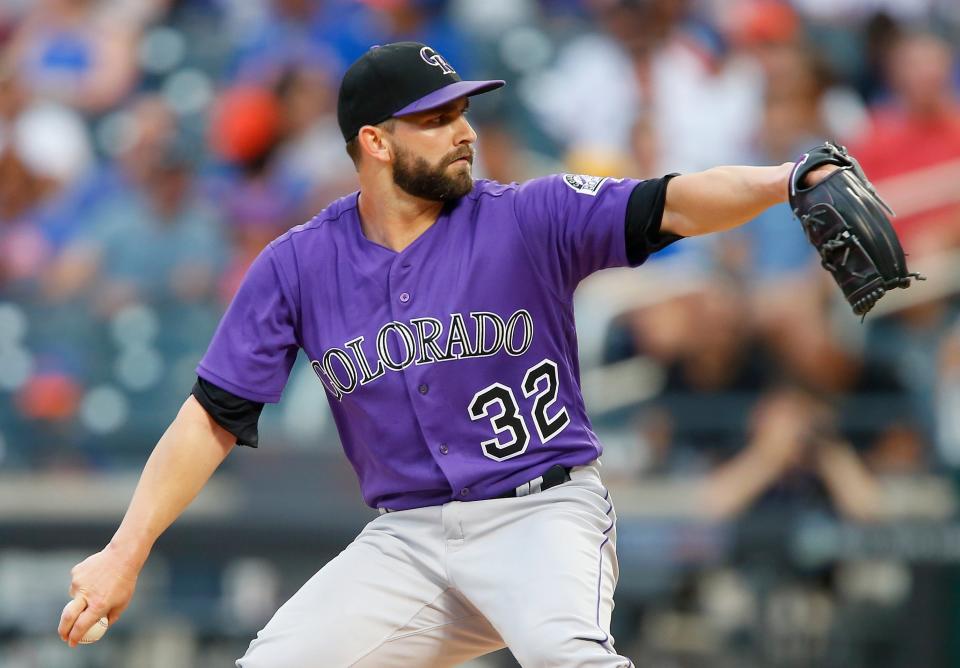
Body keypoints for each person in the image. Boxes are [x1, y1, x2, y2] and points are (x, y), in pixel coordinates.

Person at [58, 42, 837, 667]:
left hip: (541, 511)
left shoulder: (526, 215)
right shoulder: (297, 264)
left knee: (568, 656)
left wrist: (787, 177)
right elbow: (212, 418)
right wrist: (124, 554)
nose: (464, 130)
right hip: (409, 540)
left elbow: (672, 200)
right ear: (375, 142)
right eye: (435, 117)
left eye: (463, 110)